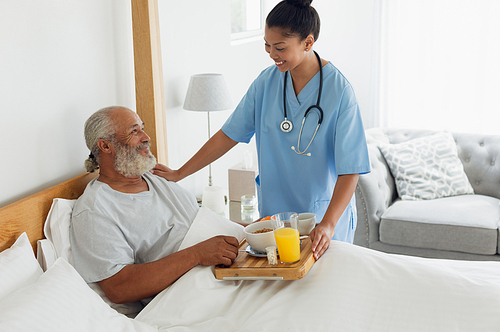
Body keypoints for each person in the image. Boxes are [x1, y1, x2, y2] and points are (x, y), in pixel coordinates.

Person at [152, 0, 370, 260]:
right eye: (267, 45)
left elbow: (351, 170)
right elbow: (227, 136)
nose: (271, 54)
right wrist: (179, 173)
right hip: (274, 219)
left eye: (280, 47)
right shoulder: (266, 83)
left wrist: (329, 224)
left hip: (322, 223)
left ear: (308, 43)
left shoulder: (340, 92)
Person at [70, 106, 239, 304]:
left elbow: (200, 221)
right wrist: (197, 254)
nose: (146, 137)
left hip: (229, 268)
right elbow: (119, 287)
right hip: (191, 293)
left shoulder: (156, 178)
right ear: (106, 146)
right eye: (134, 131)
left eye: (142, 128)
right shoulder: (95, 210)